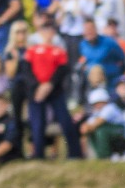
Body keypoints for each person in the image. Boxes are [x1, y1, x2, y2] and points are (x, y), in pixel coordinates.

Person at [25, 18, 82, 160]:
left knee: (65, 120)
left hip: (54, 90)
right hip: (37, 91)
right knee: (37, 123)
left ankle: (75, 153)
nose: (48, 33)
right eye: (45, 30)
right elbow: (26, 70)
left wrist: (49, 85)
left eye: (50, 30)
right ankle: (38, 154)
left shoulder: (59, 51)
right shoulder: (32, 50)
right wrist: (37, 87)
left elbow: (62, 70)